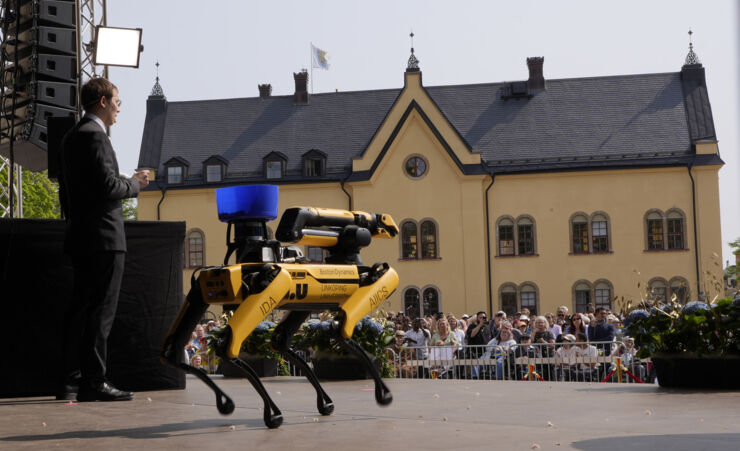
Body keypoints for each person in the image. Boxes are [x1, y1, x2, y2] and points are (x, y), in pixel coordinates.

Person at [57, 78, 149, 402]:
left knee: (81, 310)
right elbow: (108, 188)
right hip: (105, 239)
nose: (119, 109)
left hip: (81, 236)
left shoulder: (71, 137)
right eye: (117, 102)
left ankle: (70, 380)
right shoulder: (95, 137)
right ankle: (94, 381)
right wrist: (135, 184)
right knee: (100, 313)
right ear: (103, 102)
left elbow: (66, 193)